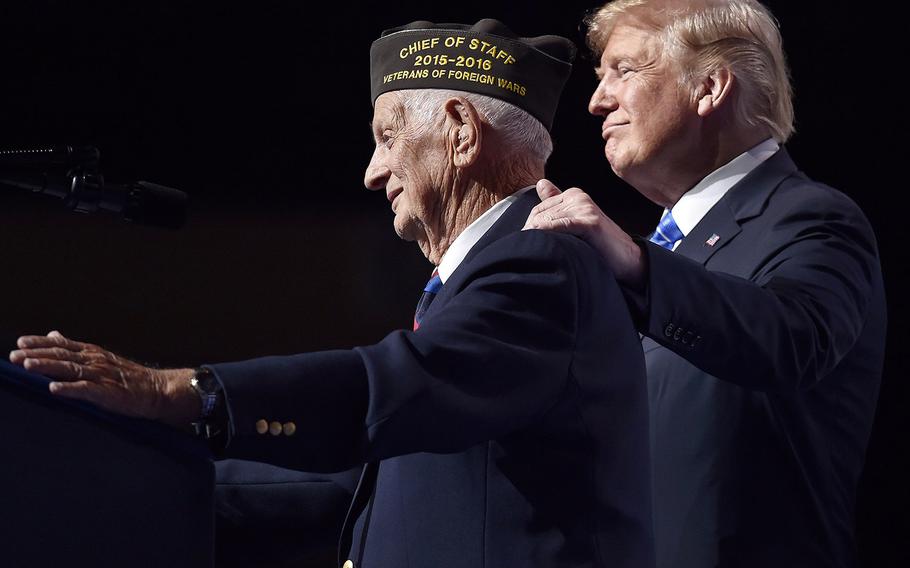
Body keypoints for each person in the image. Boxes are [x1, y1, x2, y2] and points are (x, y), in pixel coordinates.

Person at [10, 19, 655, 568]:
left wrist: (178, 392)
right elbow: (366, 480)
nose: (372, 174)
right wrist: (130, 473)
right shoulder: (497, 274)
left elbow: (398, 382)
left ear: (459, 130)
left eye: (385, 138)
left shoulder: (540, 263)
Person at [523, 1, 886, 567]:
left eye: (624, 70)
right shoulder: (664, 251)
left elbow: (794, 338)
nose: (597, 101)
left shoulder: (811, 216)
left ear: (710, 87)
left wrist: (633, 263)